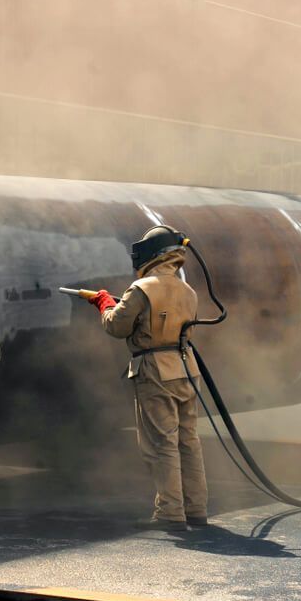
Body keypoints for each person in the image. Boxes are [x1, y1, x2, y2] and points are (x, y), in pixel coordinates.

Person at [87, 226, 209, 532]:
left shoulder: (141, 288)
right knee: (189, 441)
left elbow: (116, 327)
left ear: (151, 254)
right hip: (186, 369)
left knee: (162, 443)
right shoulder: (188, 291)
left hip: (155, 371)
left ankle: (170, 512)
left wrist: (104, 303)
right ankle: (196, 509)